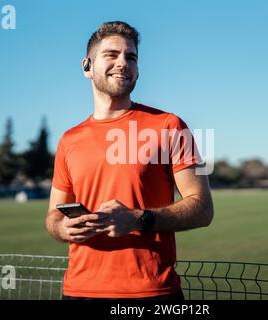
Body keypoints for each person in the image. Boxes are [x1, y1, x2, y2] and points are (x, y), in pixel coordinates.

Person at [45, 21, 214, 300]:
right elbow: (53, 216)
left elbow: (203, 208)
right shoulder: (69, 139)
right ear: (87, 67)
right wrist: (62, 228)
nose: (123, 63)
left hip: (151, 293)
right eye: (111, 55)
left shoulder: (169, 125)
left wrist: (138, 219)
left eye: (131, 57)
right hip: (77, 291)